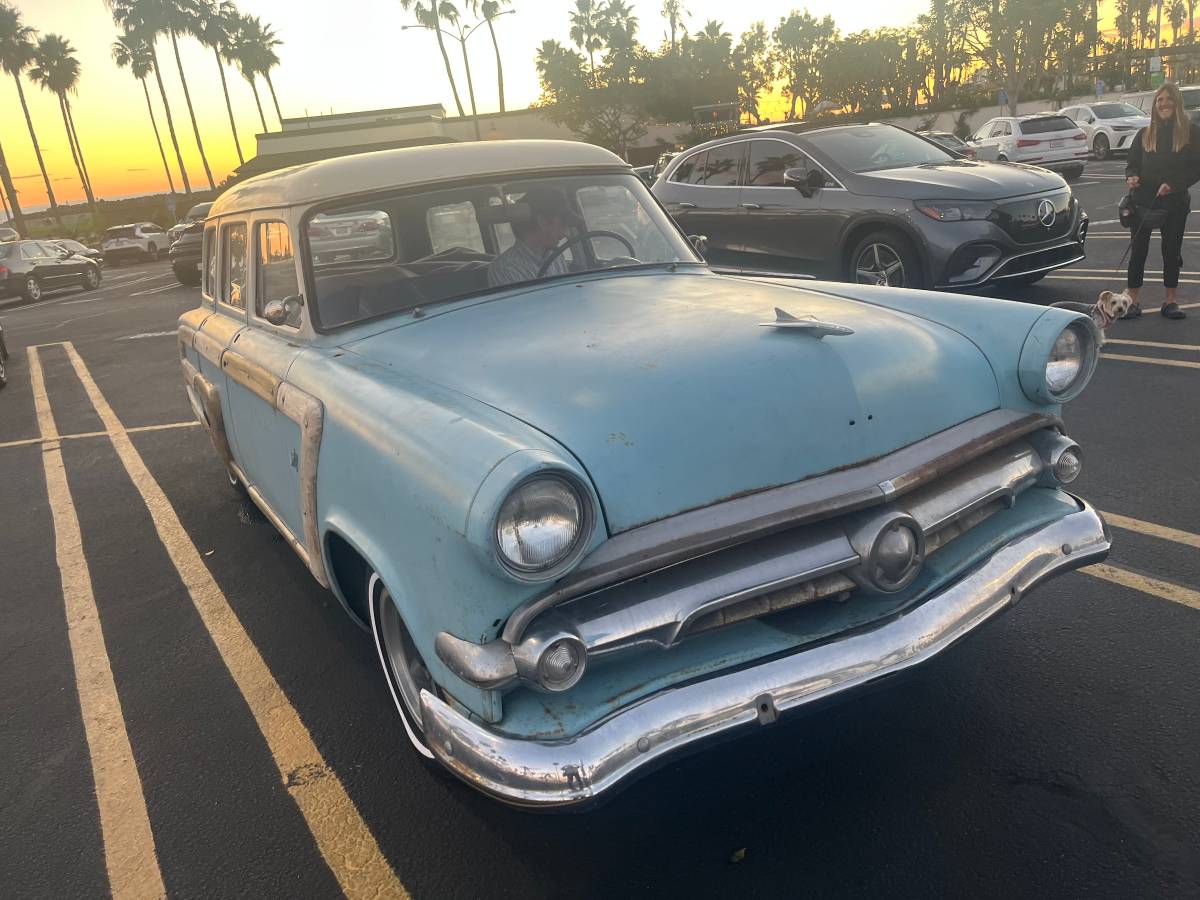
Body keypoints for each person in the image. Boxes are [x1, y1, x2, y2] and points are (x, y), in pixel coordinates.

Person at [1123, 81, 1200, 319]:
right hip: (1143, 201)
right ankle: (1133, 300)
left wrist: (1175, 184)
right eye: (1159, 100)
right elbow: (1132, 164)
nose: (1164, 104)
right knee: (1138, 252)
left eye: (1168, 99)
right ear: (1155, 105)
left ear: (1177, 102)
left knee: (1171, 251)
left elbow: (1196, 167)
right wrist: (1132, 177)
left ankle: (1170, 301)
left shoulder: (1191, 132)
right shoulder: (1144, 134)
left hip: (1175, 203)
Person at [487, 187, 579, 287]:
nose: (567, 233)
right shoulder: (504, 268)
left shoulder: (556, 256)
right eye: (563, 224)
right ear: (542, 222)